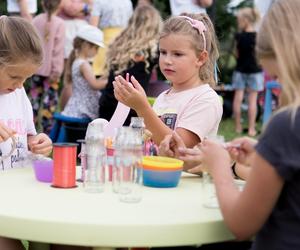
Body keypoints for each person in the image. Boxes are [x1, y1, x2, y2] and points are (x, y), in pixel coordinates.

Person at [176, 0, 300, 249]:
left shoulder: (286, 124)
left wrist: (221, 167)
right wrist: (262, 156)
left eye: (275, 77)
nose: (276, 87)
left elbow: (241, 225)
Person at [113, 13, 222, 151]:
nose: (167, 60)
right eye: (163, 52)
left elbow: (177, 148)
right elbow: (150, 141)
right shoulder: (163, 97)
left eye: (177, 54)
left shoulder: (206, 99)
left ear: (201, 58)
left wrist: (142, 107)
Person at [0, 15, 52, 249]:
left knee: (61, 238)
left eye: (26, 78)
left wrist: (40, 141)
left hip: (22, 193)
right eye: (14, 76)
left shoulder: (18, 94)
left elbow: (29, 136)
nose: (21, 84)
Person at [98, 4, 163, 125]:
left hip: (108, 103)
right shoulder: (153, 49)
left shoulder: (119, 43)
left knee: (107, 141)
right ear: (155, 25)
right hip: (131, 108)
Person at [30, 0, 65, 134]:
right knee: (49, 106)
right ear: (59, 4)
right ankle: (47, 136)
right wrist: (57, 71)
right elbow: (57, 50)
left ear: (42, 4)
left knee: (33, 102)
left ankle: (29, 133)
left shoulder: (35, 21)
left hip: (35, 69)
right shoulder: (60, 24)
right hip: (52, 72)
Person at [62, 24, 106, 120]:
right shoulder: (84, 64)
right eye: (96, 48)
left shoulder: (78, 61)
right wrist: (110, 81)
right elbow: (94, 85)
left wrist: (104, 77)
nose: (97, 52)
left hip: (77, 106)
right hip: (83, 109)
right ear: (86, 45)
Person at [232, 7, 263, 137]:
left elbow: (236, 53)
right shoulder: (258, 36)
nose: (238, 23)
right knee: (252, 100)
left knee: (238, 98)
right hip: (255, 71)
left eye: (239, 20)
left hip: (240, 70)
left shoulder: (238, 36)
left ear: (245, 20)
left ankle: (238, 127)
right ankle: (251, 129)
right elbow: (260, 55)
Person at [89, 0, 133, 76]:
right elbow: (131, 24)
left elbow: (93, 27)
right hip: (123, 42)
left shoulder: (99, 1)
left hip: (105, 42)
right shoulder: (127, 1)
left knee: (100, 73)